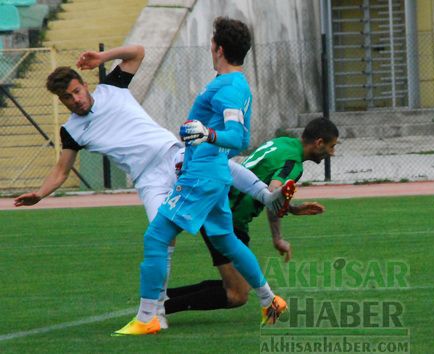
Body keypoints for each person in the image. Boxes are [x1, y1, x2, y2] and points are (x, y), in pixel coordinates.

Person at [14, 44, 291, 329]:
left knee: (209, 175)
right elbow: (61, 171)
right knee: (167, 239)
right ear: (61, 101)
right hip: (148, 181)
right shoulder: (71, 130)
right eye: (67, 98)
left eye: (76, 91)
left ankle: (264, 194)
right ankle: (160, 312)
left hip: (170, 154)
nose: (75, 100)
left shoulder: (112, 88)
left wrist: (102, 57)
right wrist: (40, 193)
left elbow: (137, 52)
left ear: (85, 85)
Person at [114, 17, 286, 336]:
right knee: (226, 240)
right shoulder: (235, 83)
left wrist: (206, 134)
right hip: (212, 173)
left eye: (211, 42)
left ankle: (147, 317)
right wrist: (204, 134)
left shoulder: (228, 87)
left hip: (202, 177)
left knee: (156, 237)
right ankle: (270, 301)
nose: (209, 46)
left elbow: (238, 137)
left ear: (218, 48)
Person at [164, 117, 338, 315]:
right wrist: (278, 236)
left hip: (219, 204)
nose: (332, 153)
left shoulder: (282, 142)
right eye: (331, 147)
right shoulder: (293, 163)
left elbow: (266, 188)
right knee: (237, 294)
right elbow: (274, 192)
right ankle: (160, 307)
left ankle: (165, 297)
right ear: (319, 143)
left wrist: (291, 210)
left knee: (239, 284)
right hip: (227, 217)